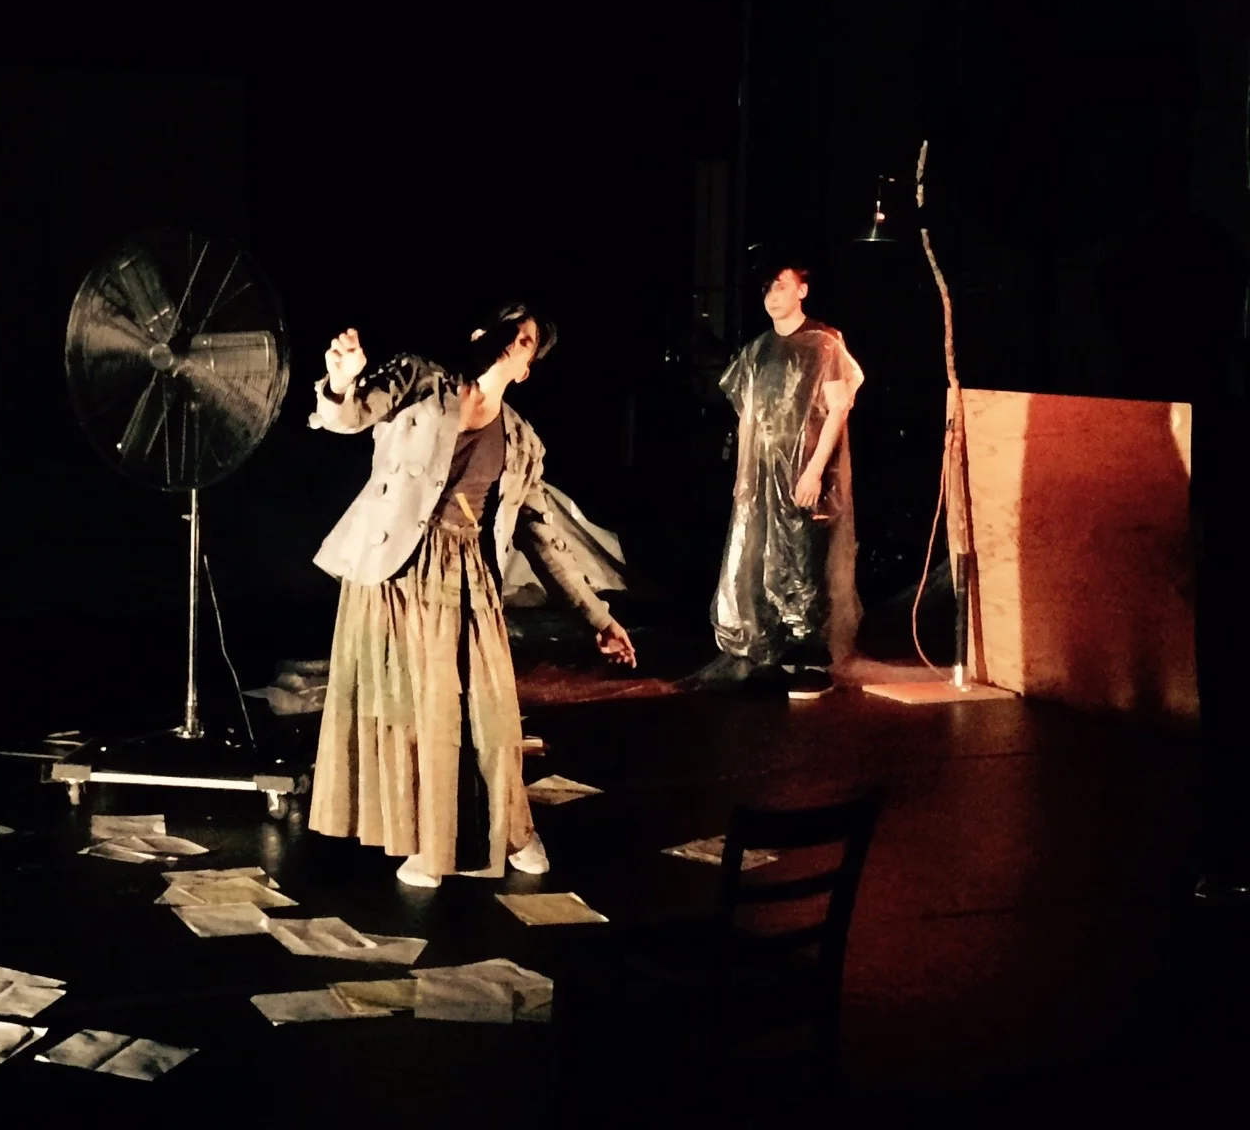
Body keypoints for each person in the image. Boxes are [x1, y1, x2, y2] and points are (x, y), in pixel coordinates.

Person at [306, 304, 637, 889]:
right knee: (406, 713)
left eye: (525, 340)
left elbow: (544, 541)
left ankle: (516, 831)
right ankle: (425, 843)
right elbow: (348, 416)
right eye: (506, 328)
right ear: (480, 335)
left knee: (490, 715)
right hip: (392, 572)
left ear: (527, 368)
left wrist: (599, 619)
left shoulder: (522, 442)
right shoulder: (419, 381)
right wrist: (340, 380)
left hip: (464, 578)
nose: (512, 341)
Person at [700, 265, 865, 697]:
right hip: (763, 474)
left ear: (802, 290)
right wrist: (743, 475)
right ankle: (772, 648)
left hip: (805, 471)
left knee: (803, 560)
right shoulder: (757, 351)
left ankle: (810, 656)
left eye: (782, 286)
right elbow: (748, 416)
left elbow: (838, 408)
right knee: (763, 556)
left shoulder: (824, 344)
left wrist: (814, 469)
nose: (773, 295)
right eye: (767, 289)